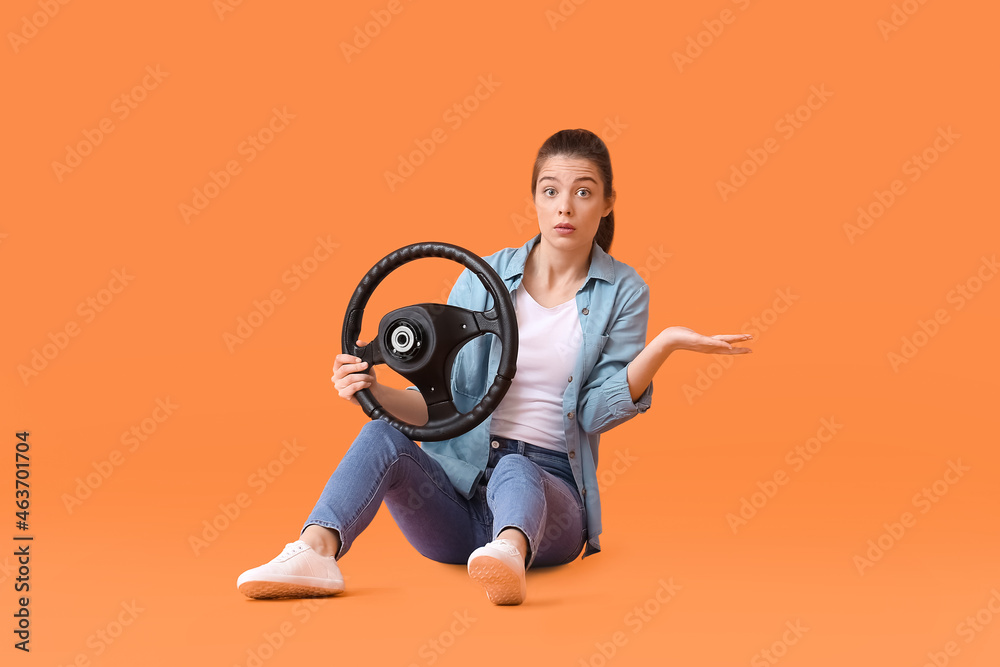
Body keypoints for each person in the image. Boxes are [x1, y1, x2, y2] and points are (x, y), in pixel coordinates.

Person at [236, 128, 753, 605]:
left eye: (583, 191)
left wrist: (661, 347)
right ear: (534, 199)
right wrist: (369, 388)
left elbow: (594, 414)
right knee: (379, 435)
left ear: (607, 202)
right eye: (550, 191)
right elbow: (446, 407)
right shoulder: (483, 276)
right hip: (457, 504)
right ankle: (316, 552)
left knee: (515, 464)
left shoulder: (624, 290)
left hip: (551, 504)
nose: (564, 207)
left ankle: (510, 554)